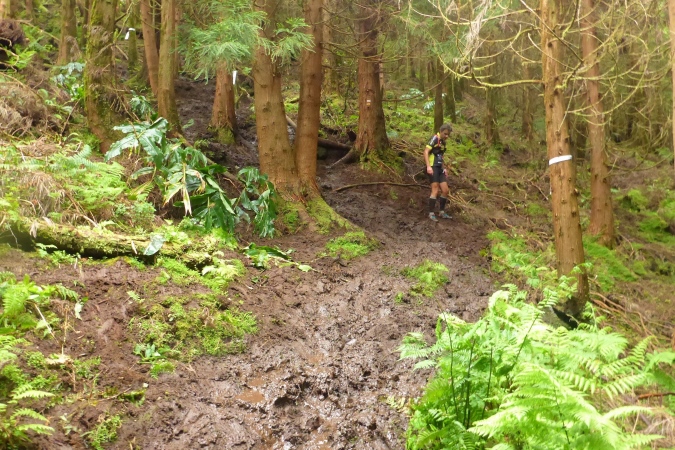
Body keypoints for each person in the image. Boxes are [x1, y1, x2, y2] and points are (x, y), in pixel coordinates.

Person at [423, 123, 452, 222]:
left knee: (445, 190)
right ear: (440, 131)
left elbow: (441, 156)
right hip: (432, 167)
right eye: (445, 134)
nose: (446, 136)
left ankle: (442, 212)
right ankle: (431, 213)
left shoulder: (443, 143)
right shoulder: (435, 138)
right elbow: (426, 151)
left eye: (448, 134)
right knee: (435, 189)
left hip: (440, 168)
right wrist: (428, 166)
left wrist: (444, 168)